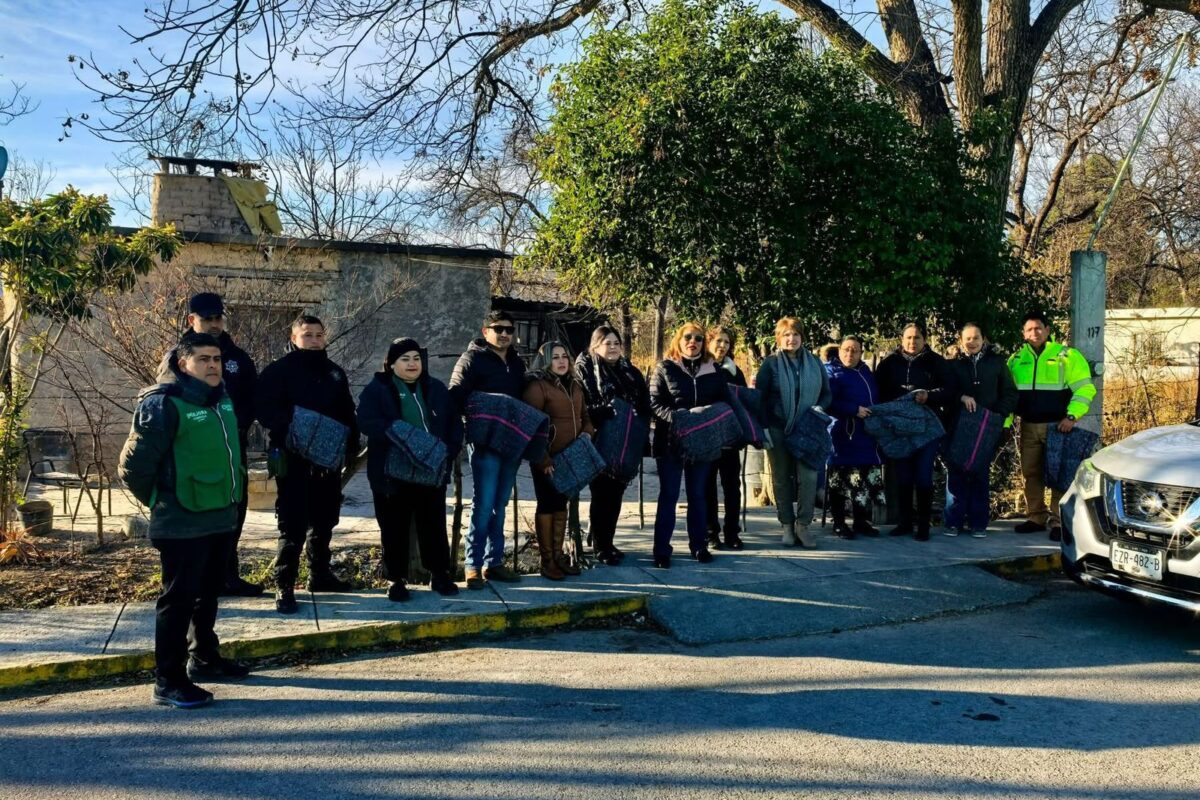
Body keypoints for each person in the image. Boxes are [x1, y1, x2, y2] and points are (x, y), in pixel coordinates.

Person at [119, 332, 250, 708]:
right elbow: (133, 468)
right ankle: (168, 680)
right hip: (182, 520)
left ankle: (204, 658)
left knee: (208, 594)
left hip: (220, 515)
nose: (213, 365)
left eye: (216, 359)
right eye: (204, 359)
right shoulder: (163, 404)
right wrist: (163, 501)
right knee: (178, 601)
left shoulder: (220, 398)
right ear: (183, 363)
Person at [158, 292, 261, 597]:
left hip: (232, 449)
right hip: (194, 451)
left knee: (232, 511)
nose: (215, 324)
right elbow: (168, 400)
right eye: (207, 319)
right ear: (192, 320)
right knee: (198, 515)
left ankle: (227, 575)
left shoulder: (237, 356)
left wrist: (236, 424)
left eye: (218, 317)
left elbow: (252, 397)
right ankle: (198, 581)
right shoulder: (178, 356)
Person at [256, 314, 359, 614]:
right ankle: (284, 585)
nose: (314, 340)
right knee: (292, 523)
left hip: (327, 461)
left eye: (318, 334)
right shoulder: (278, 371)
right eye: (307, 335)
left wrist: (350, 445)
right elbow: (264, 408)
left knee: (325, 519)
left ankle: (320, 575)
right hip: (291, 458)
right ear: (293, 338)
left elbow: (347, 411)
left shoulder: (334, 373)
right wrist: (293, 430)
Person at [357, 338, 462, 599]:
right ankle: (395, 580)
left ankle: (439, 575)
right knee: (394, 526)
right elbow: (366, 421)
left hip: (431, 468)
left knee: (433, 523)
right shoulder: (378, 389)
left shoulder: (435, 388)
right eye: (405, 359)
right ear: (391, 364)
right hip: (391, 471)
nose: (412, 364)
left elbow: (453, 423)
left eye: (416, 358)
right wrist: (401, 435)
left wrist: (447, 450)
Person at [448, 310, 527, 589]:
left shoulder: (517, 364)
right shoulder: (471, 359)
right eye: (498, 328)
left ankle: (494, 564)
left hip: (511, 442)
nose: (504, 333)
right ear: (485, 331)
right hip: (484, 442)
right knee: (483, 504)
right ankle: (473, 565)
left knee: (500, 505)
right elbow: (456, 393)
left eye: (509, 329)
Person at [1007, 311, 1096, 541]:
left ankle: (1058, 521)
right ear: (1023, 333)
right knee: (1031, 472)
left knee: (1059, 474)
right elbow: (1007, 395)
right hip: (1028, 426)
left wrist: (1071, 416)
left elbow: (1085, 389)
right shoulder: (1016, 359)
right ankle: (1036, 517)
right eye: (1029, 329)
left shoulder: (1066, 355)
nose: (1034, 333)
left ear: (1047, 330)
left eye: (1038, 328)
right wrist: (1006, 424)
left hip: (1058, 427)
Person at [649, 322, 729, 568]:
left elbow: (723, 401)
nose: (692, 341)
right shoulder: (664, 368)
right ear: (679, 340)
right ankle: (662, 550)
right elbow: (653, 403)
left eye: (698, 338)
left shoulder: (713, 369)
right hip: (671, 441)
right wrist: (680, 418)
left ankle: (699, 546)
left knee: (698, 496)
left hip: (701, 444)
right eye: (687, 337)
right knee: (669, 495)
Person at [575, 325, 652, 566]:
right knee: (601, 493)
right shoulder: (585, 370)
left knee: (616, 493)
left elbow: (643, 400)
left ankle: (607, 540)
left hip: (626, 440)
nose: (613, 347)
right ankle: (600, 545)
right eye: (607, 343)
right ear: (595, 346)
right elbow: (582, 406)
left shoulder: (630, 371)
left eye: (616, 343)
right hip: (600, 438)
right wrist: (604, 412)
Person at [755, 318, 832, 548]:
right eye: (786, 335)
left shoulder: (815, 363)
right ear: (779, 338)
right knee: (781, 479)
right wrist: (764, 428)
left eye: (796, 334)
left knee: (808, 477)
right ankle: (787, 525)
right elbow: (760, 398)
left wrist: (819, 408)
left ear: (802, 337)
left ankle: (803, 525)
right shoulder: (770, 364)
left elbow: (826, 394)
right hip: (778, 429)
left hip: (807, 430)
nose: (792, 339)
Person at [523, 341, 595, 580]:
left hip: (571, 457)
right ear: (545, 361)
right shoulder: (537, 387)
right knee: (547, 504)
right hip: (548, 458)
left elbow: (585, 416)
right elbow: (531, 425)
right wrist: (542, 458)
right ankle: (547, 561)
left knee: (560, 505)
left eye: (565, 356)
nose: (562, 361)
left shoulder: (575, 384)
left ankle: (557, 556)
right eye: (555, 357)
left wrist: (587, 433)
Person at [875, 322, 951, 540]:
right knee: (904, 476)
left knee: (923, 476)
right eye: (908, 337)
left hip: (926, 429)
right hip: (899, 429)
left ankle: (924, 525)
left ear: (924, 340)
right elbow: (878, 391)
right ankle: (905, 522)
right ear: (901, 339)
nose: (912, 342)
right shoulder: (889, 363)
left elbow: (949, 390)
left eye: (917, 338)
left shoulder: (936, 362)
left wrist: (930, 395)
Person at [944, 323, 1018, 537]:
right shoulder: (953, 365)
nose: (972, 342)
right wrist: (961, 397)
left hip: (986, 428)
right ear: (961, 341)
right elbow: (946, 392)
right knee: (956, 474)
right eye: (968, 338)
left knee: (980, 475)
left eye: (976, 337)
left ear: (983, 339)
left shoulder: (997, 363)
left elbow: (1010, 394)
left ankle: (978, 523)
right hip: (958, 428)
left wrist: (997, 416)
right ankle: (953, 522)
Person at [824, 336, 887, 540]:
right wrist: (852, 409)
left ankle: (861, 521)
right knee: (839, 480)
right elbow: (827, 402)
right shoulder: (831, 372)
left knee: (862, 479)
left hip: (865, 435)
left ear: (861, 353)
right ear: (839, 350)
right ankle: (840, 523)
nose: (849, 354)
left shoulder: (865, 371)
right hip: (843, 433)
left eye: (855, 350)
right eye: (846, 350)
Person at [704, 325, 748, 551]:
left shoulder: (735, 371)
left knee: (732, 486)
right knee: (708, 486)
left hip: (730, 437)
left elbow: (742, 403)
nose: (722, 346)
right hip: (708, 436)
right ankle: (711, 532)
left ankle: (732, 532)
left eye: (727, 343)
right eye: (718, 341)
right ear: (709, 342)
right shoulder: (701, 367)